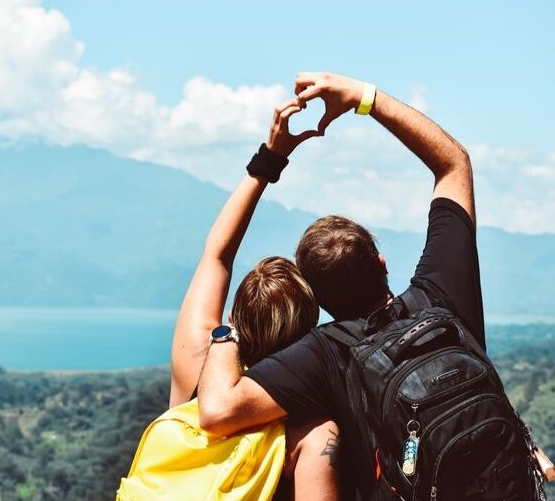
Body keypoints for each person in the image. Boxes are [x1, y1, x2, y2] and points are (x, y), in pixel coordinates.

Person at [196, 71, 484, 500]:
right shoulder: (442, 293)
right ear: (382, 264)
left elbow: (217, 409)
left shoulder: (325, 353)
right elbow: (453, 162)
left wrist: (229, 330)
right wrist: (363, 97)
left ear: (319, 300)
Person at [168, 98, 340, 500]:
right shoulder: (309, 428)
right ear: (307, 333)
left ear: (234, 316)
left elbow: (217, 253)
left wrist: (271, 159)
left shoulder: (196, 361)